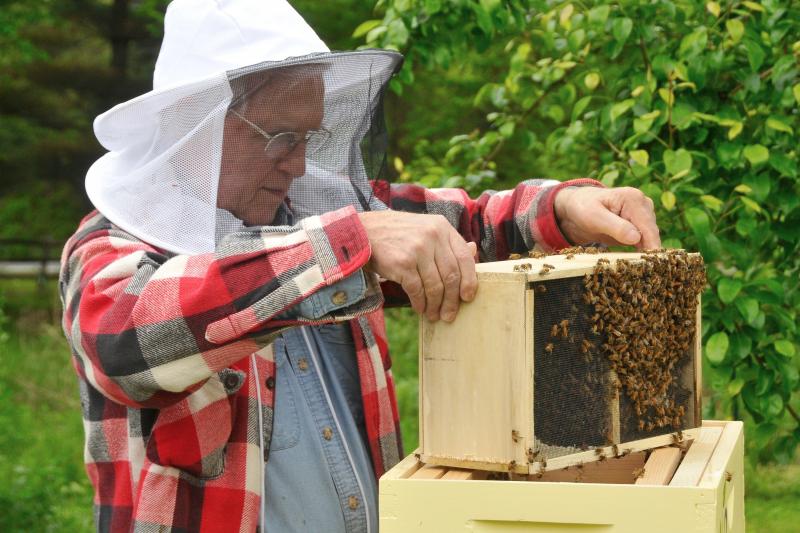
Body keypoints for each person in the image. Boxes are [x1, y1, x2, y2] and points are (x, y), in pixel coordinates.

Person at [59, 0, 660, 531]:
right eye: (279, 139)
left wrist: (563, 208)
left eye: (306, 140)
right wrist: (345, 246)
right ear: (199, 125)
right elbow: (127, 339)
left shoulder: (310, 212)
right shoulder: (110, 250)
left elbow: (465, 227)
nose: (295, 166)